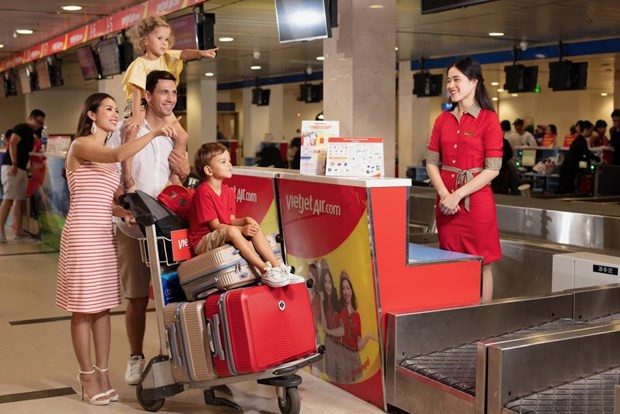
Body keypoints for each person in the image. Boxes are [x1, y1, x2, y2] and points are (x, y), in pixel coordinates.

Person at [56, 93, 175, 405]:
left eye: (115, 109)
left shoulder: (106, 152)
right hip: (82, 235)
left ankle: (103, 374)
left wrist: (125, 212)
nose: (113, 113)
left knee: (103, 308)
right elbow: (118, 154)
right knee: (84, 309)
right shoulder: (81, 145)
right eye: (107, 109)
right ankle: (87, 376)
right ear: (91, 115)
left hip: (103, 235)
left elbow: (104, 200)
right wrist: (152, 132)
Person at [107, 70, 191, 385]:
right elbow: (110, 178)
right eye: (163, 92)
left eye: (174, 92)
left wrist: (184, 172)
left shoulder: (176, 133)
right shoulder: (126, 130)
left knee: (173, 292)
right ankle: (135, 357)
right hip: (132, 227)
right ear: (148, 95)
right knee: (137, 296)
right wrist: (126, 202)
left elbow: (178, 179)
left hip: (167, 226)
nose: (170, 98)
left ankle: (176, 356)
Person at [425, 56, 502, 302]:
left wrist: (457, 195)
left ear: (474, 82)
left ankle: (483, 315)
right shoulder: (442, 120)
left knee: (483, 263)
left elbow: (493, 169)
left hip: (475, 204)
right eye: (448, 80)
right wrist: (445, 195)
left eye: (456, 79)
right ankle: (453, 312)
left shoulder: (489, 119)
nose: (451, 85)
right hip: (446, 205)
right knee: (449, 260)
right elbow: (431, 162)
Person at [121, 16, 217, 192]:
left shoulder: (166, 57)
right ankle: (128, 176)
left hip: (157, 105)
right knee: (132, 132)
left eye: (166, 39)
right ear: (145, 40)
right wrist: (135, 117)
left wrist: (200, 53)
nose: (164, 43)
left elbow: (184, 53)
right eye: (159, 38)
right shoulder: (139, 64)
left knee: (182, 136)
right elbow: (136, 91)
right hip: (139, 103)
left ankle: (174, 175)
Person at [188, 142, 303, 287]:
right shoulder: (203, 192)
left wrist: (246, 221)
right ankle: (265, 270)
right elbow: (216, 226)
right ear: (208, 170)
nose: (229, 165)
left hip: (222, 233)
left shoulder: (228, 191)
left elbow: (231, 220)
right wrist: (241, 229)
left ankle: (278, 267)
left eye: (229, 160)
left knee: (252, 225)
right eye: (223, 162)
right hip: (202, 240)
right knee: (233, 231)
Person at [0, 110, 45, 242]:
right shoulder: (21, 128)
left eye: (41, 123)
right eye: (38, 121)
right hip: (12, 167)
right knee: (8, 198)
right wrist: (14, 163)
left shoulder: (30, 133)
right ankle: (0, 230)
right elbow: (12, 143)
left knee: (19, 200)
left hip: (21, 168)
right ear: (30, 118)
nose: (39, 125)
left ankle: (19, 230)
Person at [335, 272, 376, 384]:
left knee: (359, 384)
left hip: (355, 356)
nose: (346, 292)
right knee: (345, 387)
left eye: (348, 288)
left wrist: (367, 337)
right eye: (343, 288)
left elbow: (359, 346)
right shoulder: (339, 312)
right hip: (343, 355)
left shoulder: (357, 316)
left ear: (352, 291)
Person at [558, 120, 601, 194]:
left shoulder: (579, 140)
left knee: (566, 190)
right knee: (566, 191)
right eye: (591, 131)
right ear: (586, 130)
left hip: (567, 169)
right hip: (568, 170)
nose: (592, 133)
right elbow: (587, 153)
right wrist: (598, 159)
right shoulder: (581, 141)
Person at [318, 264, 342, 381]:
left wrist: (329, 331)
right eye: (325, 282)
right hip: (329, 343)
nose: (328, 285)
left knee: (341, 376)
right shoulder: (324, 302)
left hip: (340, 344)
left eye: (329, 282)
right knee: (332, 377)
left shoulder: (337, 301)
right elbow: (324, 326)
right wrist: (321, 303)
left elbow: (342, 330)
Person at [491, 120, 517, 195]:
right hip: (502, 168)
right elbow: (510, 155)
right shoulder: (504, 141)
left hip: (489, 170)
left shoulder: (486, 141)